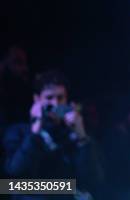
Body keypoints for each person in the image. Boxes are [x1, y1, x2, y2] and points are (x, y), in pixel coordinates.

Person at [2, 69, 103, 199]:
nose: (55, 104)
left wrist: (81, 136)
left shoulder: (75, 135)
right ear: (37, 99)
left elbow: (94, 180)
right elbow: (11, 182)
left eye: (60, 98)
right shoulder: (18, 132)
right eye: (49, 98)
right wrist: (35, 133)